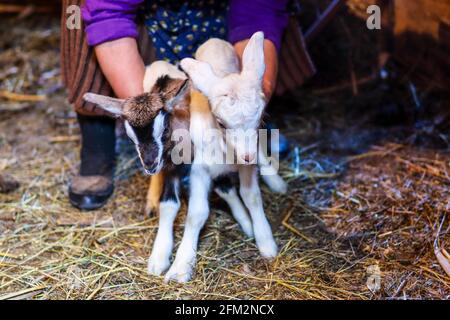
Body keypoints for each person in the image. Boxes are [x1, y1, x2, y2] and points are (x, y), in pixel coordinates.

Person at [61, 0, 315, 210]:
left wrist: (249, 99)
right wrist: (148, 116)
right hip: (149, 27)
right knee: (78, 10)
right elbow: (108, 11)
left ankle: (243, 126)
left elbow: (258, 8)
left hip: (217, 21)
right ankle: (97, 133)